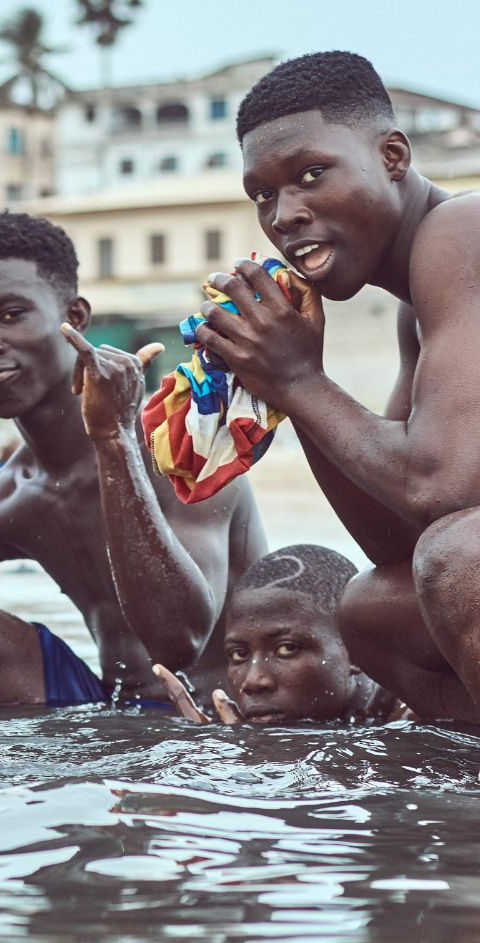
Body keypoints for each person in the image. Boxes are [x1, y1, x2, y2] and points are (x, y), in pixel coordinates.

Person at [0, 212, 267, 708]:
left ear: (76, 320)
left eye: (10, 315)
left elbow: (178, 643)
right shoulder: (0, 500)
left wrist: (113, 441)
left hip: (230, 719)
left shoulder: (179, 451)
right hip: (116, 712)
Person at [193, 51, 480, 722]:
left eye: (311, 174)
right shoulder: (420, 306)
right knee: (370, 608)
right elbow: (400, 549)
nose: (284, 214)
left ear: (393, 156)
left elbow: (444, 488)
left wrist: (298, 377)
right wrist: (286, 388)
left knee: (465, 555)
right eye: (263, 194)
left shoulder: (462, 230)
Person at [155, 545, 396, 725]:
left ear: (356, 652)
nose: (254, 681)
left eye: (286, 648)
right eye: (239, 654)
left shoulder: (412, 719)